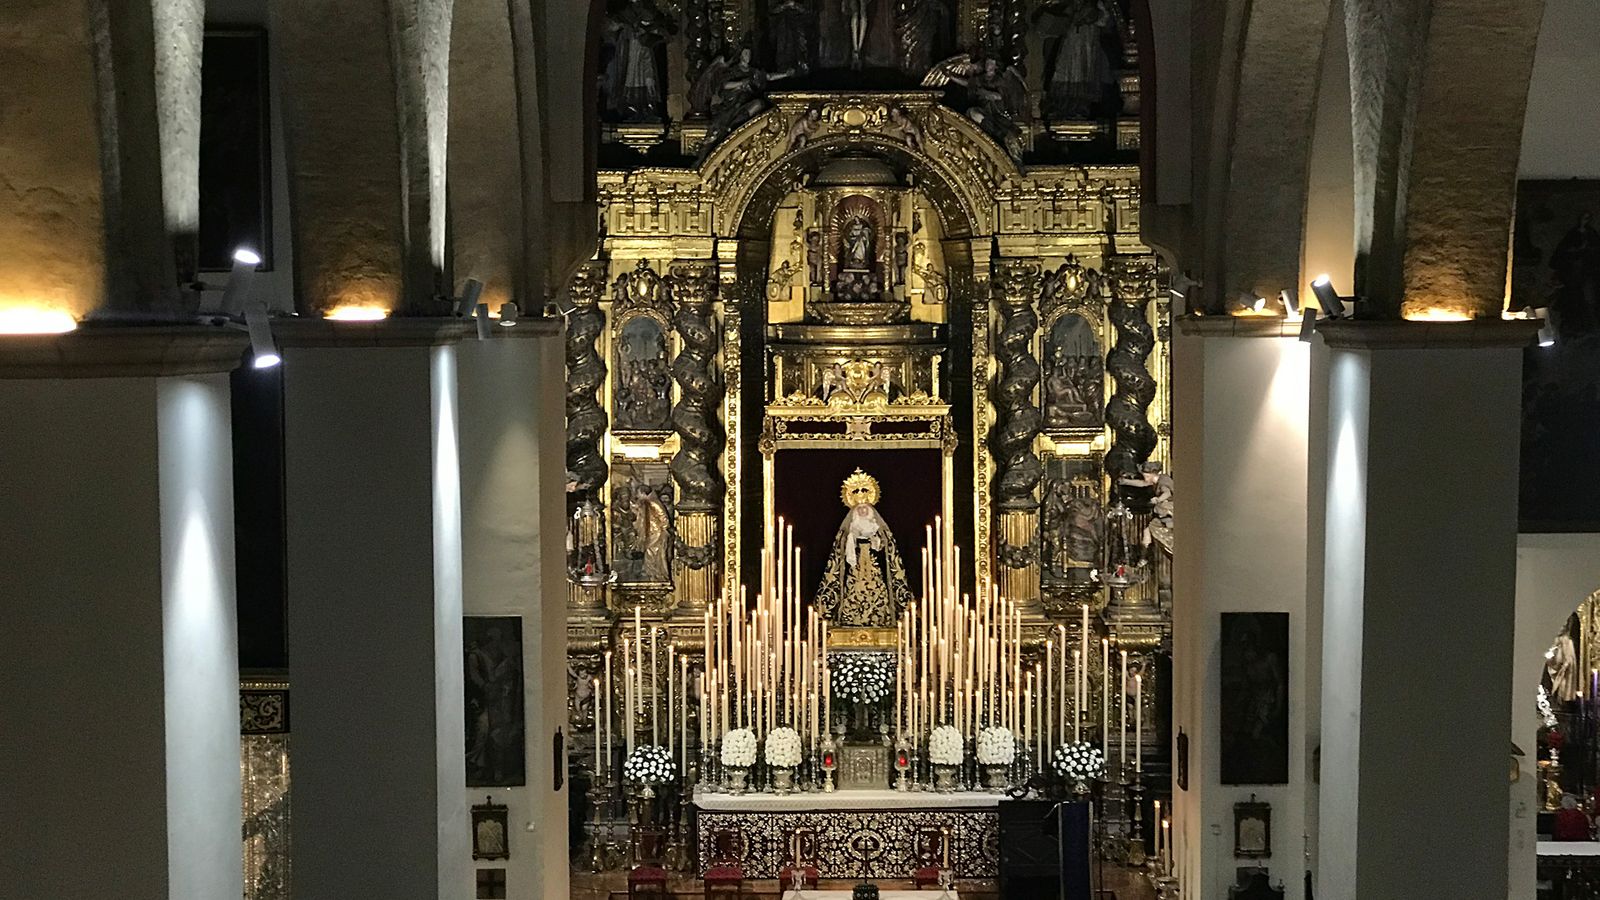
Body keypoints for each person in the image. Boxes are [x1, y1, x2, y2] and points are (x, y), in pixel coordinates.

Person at [815, 469, 915, 626]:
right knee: (855, 587)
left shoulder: (875, 526)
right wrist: (850, 543)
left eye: (864, 508)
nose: (862, 510)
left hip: (873, 561)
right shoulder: (851, 527)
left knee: (875, 586)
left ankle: (880, 618)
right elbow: (840, 551)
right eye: (859, 508)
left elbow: (887, 547)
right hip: (856, 562)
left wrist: (877, 542)